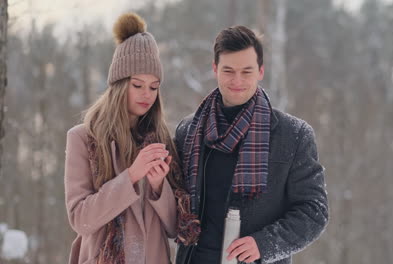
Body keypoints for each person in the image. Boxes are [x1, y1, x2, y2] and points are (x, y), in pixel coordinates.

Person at [174, 25, 328, 264]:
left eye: (247, 71)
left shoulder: (293, 135)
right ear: (215, 69)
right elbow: (173, 203)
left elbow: (314, 211)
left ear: (261, 71)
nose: (237, 80)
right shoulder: (189, 131)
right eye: (228, 71)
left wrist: (264, 244)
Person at [64, 13, 180, 264]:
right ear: (118, 84)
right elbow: (81, 219)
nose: (146, 94)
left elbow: (175, 229)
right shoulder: (83, 139)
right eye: (137, 85)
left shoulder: (161, 141)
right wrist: (131, 176)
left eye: (154, 86)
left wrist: (160, 187)